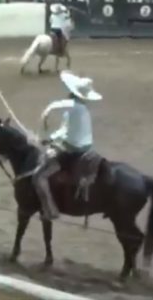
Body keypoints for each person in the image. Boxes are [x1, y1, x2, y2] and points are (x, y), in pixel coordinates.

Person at [34, 71, 102, 220]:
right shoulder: (82, 109)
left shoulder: (73, 106)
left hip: (74, 149)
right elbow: (65, 129)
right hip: (85, 146)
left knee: (39, 176)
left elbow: (54, 105)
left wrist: (45, 113)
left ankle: (51, 210)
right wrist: (50, 139)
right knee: (52, 150)